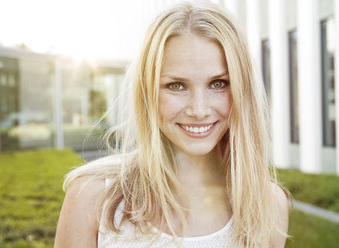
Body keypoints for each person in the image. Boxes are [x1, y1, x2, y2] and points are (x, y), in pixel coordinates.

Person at [54, 1, 291, 247]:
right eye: (176, 86)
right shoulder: (92, 196)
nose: (198, 110)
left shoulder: (268, 204)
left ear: (243, 89)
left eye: (218, 83)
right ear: (147, 92)